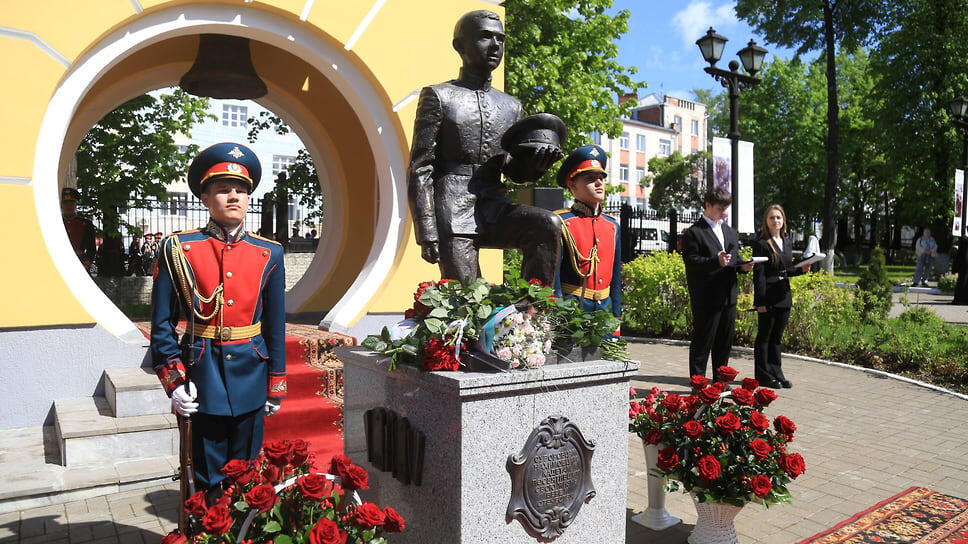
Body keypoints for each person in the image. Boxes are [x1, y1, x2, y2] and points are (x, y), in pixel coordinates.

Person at [150, 142, 287, 496]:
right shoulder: (178, 249)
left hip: (251, 374)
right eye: (223, 189)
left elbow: (274, 324)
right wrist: (174, 381)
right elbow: (162, 324)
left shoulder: (269, 252)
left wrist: (277, 383)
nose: (233, 197)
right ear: (204, 197)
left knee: (246, 476)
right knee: (209, 478)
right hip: (202, 375)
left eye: (241, 190)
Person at [407, 9, 563, 285]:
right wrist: (426, 229)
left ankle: (532, 318)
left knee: (546, 224)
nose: (495, 46)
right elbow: (421, 168)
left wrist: (535, 166)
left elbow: (513, 172)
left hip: (494, 205)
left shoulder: (511, 105)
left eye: (500, 39)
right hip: (452, 208)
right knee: (466, 297)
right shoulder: (439, 96)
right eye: (484, 37)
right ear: (459, 45)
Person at [682, 187, 754, 380]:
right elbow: (692, 262)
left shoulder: (730, 232)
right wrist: (716, 260)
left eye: (726, 208)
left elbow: (734, 259)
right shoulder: (694, 233)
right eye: (720, 208)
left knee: (724, 342)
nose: (724, 213)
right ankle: (698, 383)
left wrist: (743, 266)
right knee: (703, 342)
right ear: (708, 205)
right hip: (707, 297)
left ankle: (720, 382)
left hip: (728, 296)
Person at [553, 145, 621, 328]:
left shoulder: (612, 226)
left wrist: (617, 315)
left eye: (601, 178)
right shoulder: (561, 222)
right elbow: (555, 278)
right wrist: (558, 314)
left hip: (605, 312)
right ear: (572, 185)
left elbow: (615, 276)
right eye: (590, 179)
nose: (599, 183)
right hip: (573, 310)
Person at [752, 205, 810, 389]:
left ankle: (777, 372)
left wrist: (801, 269)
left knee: (777, 338)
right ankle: (763, 375)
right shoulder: (761, 243)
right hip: (767, 296)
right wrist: (760, 301)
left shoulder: (787, 241)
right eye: (771, 218)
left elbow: (786, 269)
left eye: (778, 217)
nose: (775, 221)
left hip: (784, 295)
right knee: (765, 337)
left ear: (783, 220)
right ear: (766, 221)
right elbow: (759, 274)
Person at [61, 187, 97, 272]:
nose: (68, 206)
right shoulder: (55, 223)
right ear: (61, 205)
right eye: (65, 203)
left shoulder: (86, 224)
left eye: (72, 203)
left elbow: (91, 249)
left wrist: (86, 264)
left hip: (80, 262)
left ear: (76, 204)